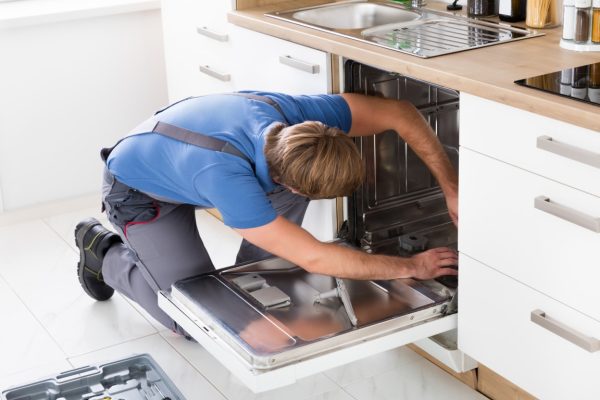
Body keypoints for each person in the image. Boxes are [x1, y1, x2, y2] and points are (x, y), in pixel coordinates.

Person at [74, 91, 458, 335]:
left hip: (183, 159)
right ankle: (103, 253)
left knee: (252, 290)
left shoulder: (301, 121)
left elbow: (401, 112)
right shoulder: (228, 178)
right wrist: (413, 267)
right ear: (287, 182)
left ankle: (254, 281)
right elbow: (315, 256)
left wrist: (451, 187)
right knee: (191, 321)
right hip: (138, 189)